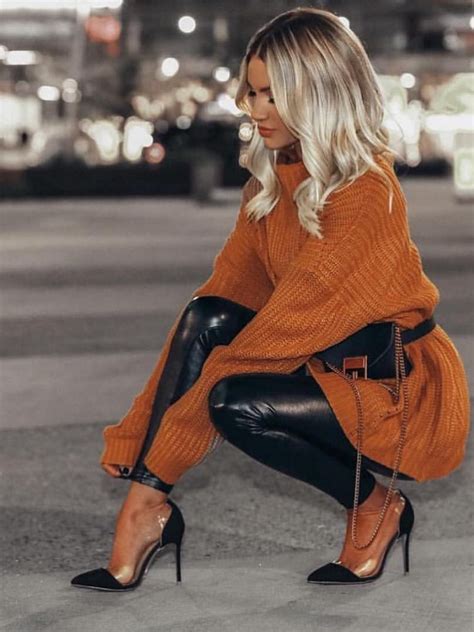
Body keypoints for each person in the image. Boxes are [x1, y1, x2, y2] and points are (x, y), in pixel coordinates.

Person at [71, 8, 470, 591]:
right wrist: (140, 433)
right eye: (252, 93)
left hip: (394, 388)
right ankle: (146, 509)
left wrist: (171, 440)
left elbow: (281, 330)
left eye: (274, 97)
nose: (255, 110)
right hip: (322, 367)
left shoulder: (363, 194)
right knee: (207, 314)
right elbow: (223, 296)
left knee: (235, 402)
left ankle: (375, 506)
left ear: (321, 95)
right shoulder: (271, 181)